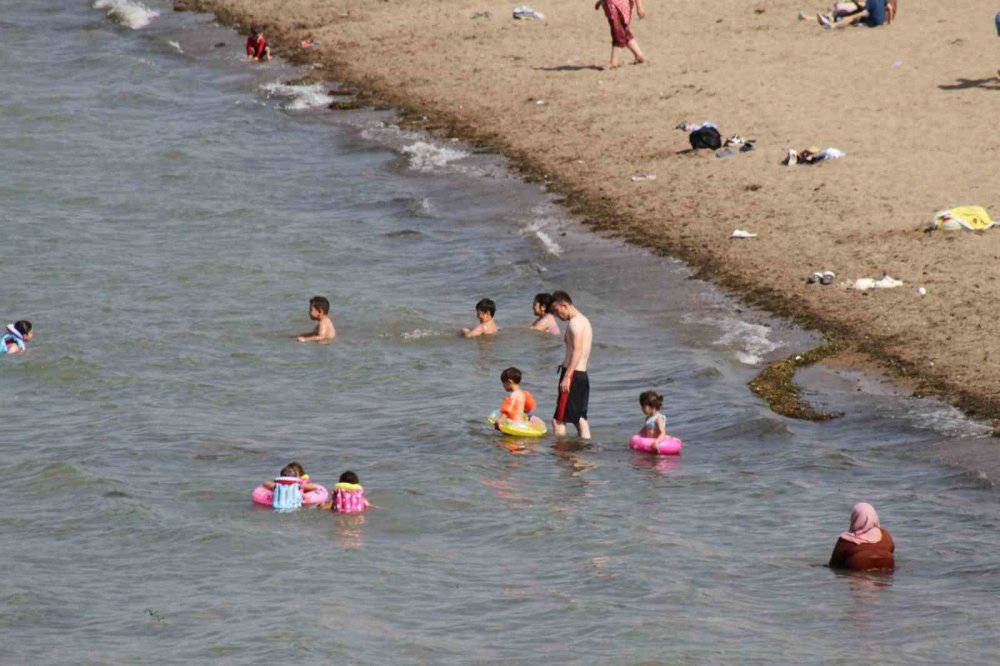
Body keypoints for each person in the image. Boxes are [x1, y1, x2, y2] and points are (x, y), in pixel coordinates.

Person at [550, 291, 593, 439]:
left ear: (565, 305)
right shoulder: (584, 321)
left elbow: (577, 351)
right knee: (580, 419)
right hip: (582, 375)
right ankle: (584, 457)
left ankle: (561, 455)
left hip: (573, 375)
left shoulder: (575, 323)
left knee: (558, 421)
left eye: (556, 311)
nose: (557, 315)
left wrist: (567, 376)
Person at [829, 502, 896, 571]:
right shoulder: (885, 534)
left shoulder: (846, 539)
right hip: (887, 567)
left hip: (859, 570)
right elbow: (891, 549)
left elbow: (834, 565)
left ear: (855, 517)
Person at [594, 0, 646, 70]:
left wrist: (639, 6)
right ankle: (639, 55)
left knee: (617, 31)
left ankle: (614, 62)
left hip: (619, 6)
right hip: (613, 4)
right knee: (623, 30)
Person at [807, 0, 892, 28]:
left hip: (872, 23)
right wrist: (889, 22)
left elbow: (865, 13)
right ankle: (828, 19)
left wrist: (853, 16)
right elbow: (890, 8)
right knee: (853, 12)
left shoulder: (870, 1)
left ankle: (832, 25)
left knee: (850, 17)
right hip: (881, 21)